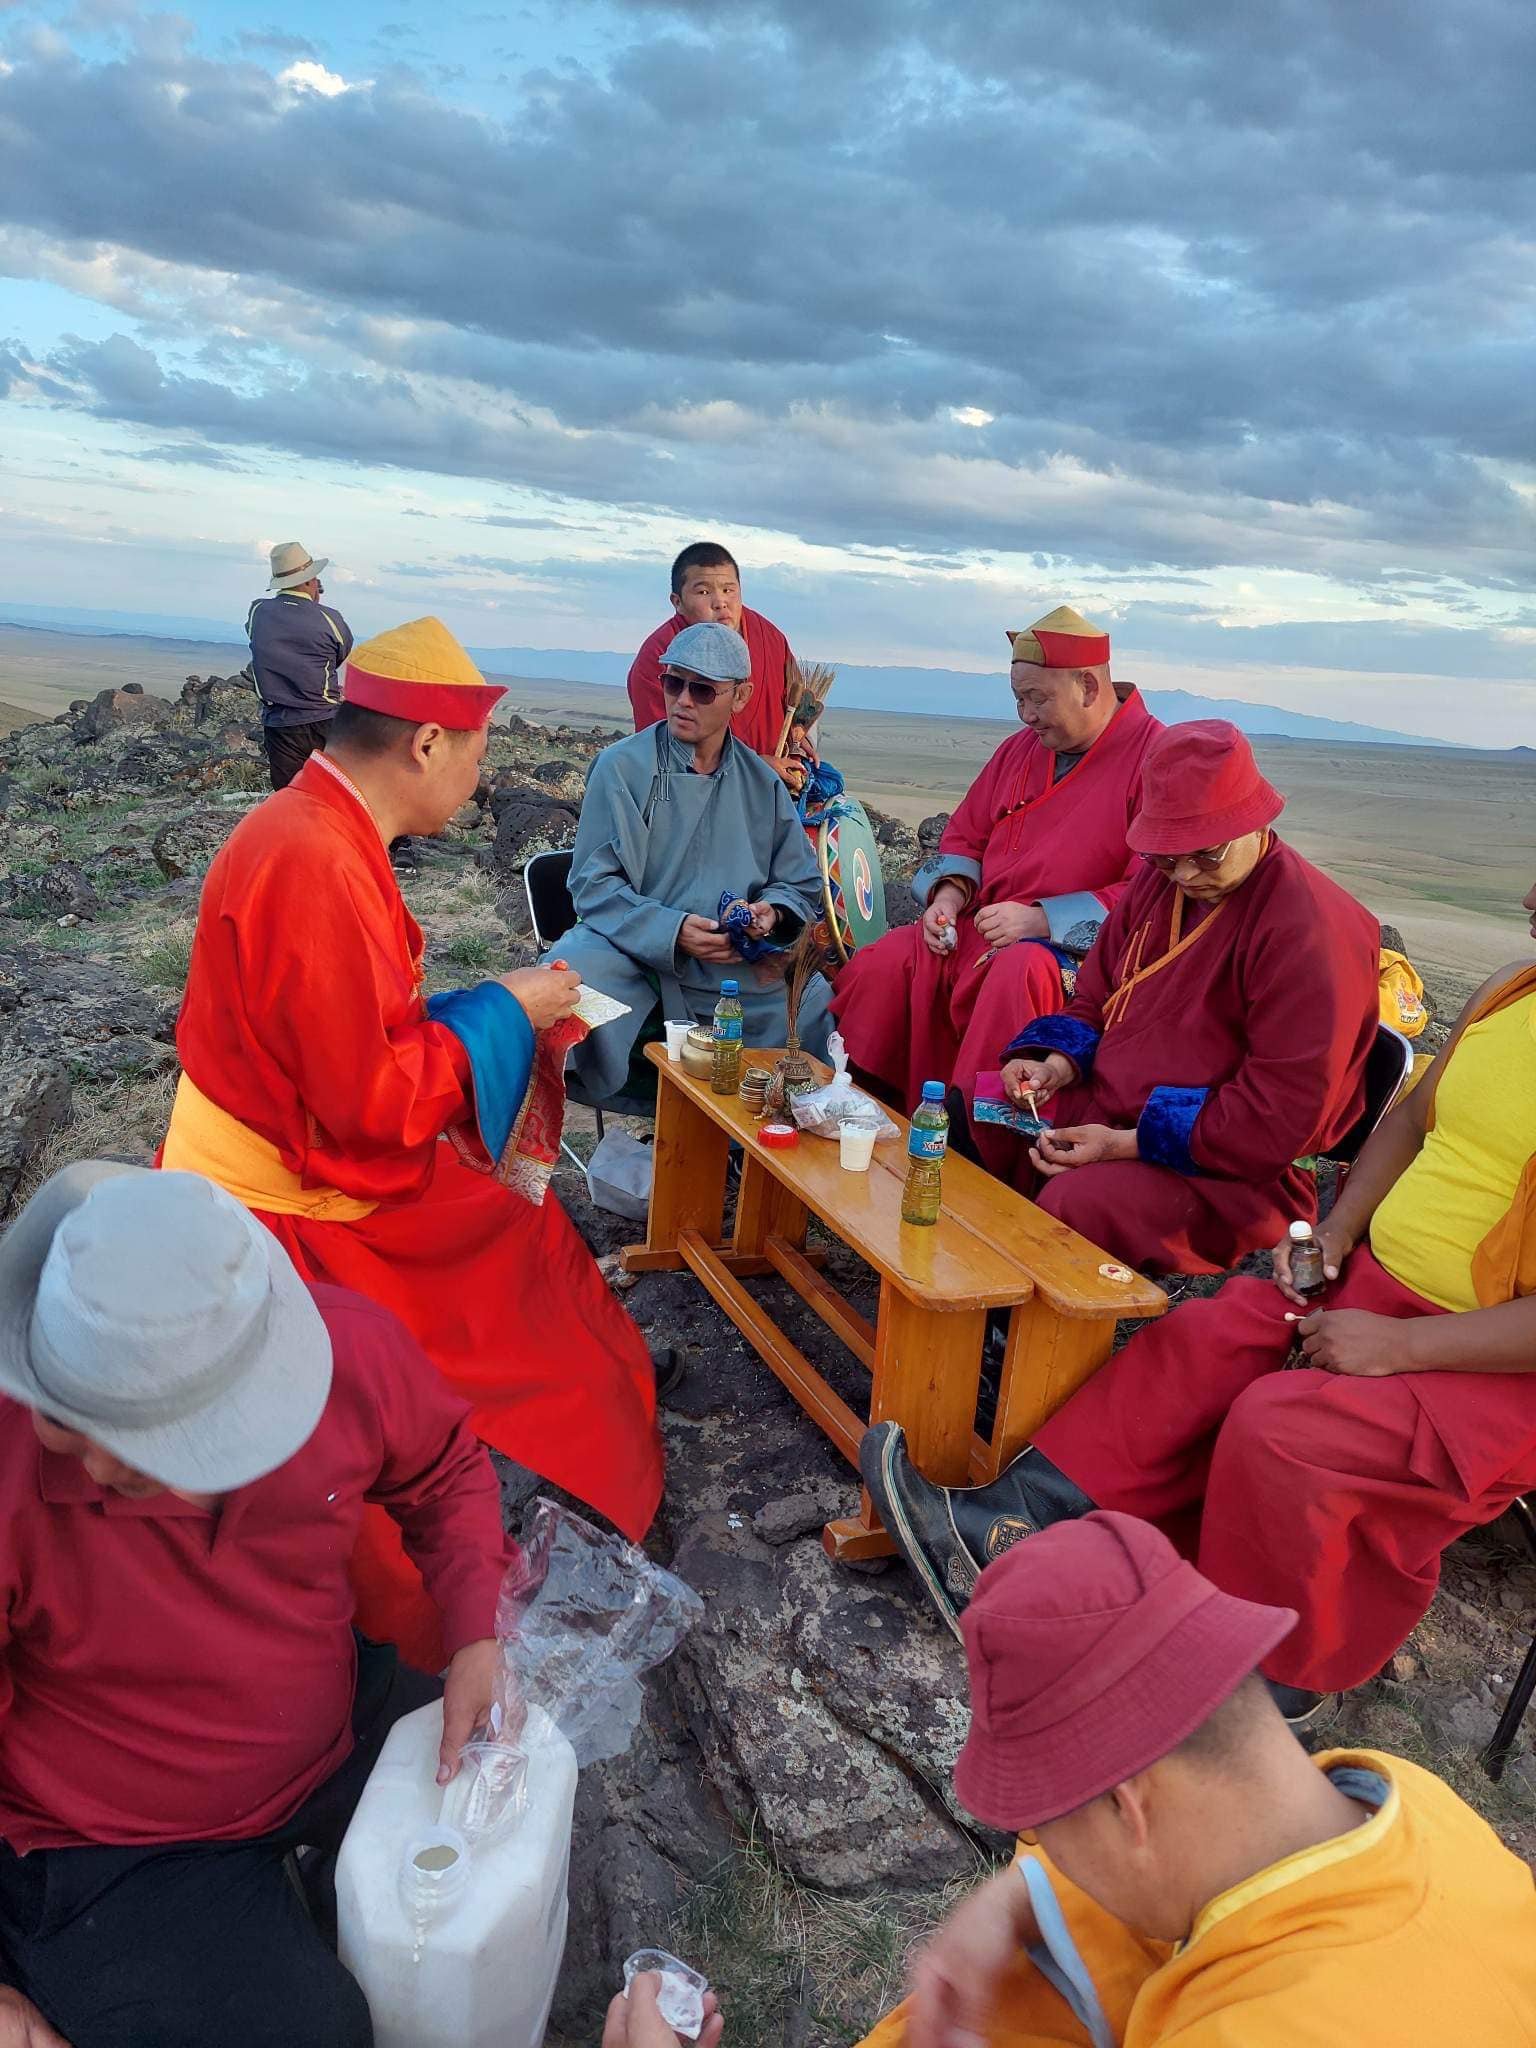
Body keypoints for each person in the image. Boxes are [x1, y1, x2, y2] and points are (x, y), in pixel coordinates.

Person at [863, 880, 1536, 1728]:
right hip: (1373, 1291)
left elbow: (1284, 1112)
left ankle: (1271, 1684)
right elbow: (1408, 1126)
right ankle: (1003, 1533)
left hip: (1493, 1369)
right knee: (1208, 1337)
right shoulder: (1512, 989)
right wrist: (1333, 1239)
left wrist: (1398, 1351)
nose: (1528, 897)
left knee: (1281, 1427)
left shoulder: (1309, 931)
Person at [164, 615, 663, 1671]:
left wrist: (494, 1006)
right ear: (425, 745)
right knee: (510, 1252)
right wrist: (505, 1011)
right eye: (478, 752)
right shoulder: (314, 861)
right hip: (288, 1197)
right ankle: (521, 1501)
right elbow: (372, 1103)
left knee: (519, 1238)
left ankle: (550, 1452)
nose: (483, 780)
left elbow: (356, 1041)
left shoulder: (318, 830)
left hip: (295, 1149)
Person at [0, 1162, 517, 2048]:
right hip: (113, 1845)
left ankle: (321, 1885)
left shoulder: (343, 1354)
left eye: (150, 1444)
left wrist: (476, 1632)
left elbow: (443, 1470)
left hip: (334, 1730)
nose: (95, 1464)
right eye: (65, 1415)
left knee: (518, 1814)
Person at [856, 1513, 1536, 2048]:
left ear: (1129, 1808)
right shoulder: (1409, 1802)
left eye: (1041, 1832)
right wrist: (1012, 1902)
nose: (1042, 1852)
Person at [992, 719, 1379, 1273]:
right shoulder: (1162, 881)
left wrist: (1125, 1144)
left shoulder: (1312, 933)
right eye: (1164, 856)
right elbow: (1098, 996)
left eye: (1206, 854)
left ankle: (1020, 1342)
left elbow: (1276, 1118)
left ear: (1256, 820)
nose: (1186, 873)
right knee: (984, 1115)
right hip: (1110, 1109)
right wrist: (1056, 1064)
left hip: (1228, 1173)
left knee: (1073, 1205)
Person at [832, 608, 1161, 1126]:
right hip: (981, 926)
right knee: (888, 959)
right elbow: (966, 832)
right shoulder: (1018, 752)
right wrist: (947, 899)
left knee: (1017, 972)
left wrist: (1039, 920)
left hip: (1068, 955)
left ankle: (973, 1136)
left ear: (1089, 686)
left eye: (1038, 699)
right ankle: (859, 1101)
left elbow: (1152, 891)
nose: (1025, 716)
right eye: (1018, 700)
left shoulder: (1154, 758)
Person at [552, 622, 833, 1099]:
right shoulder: (621, 767)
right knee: (569, 972)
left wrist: (771, 913)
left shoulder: (762, 783)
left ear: (740, 697)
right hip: (631, 949)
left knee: (812, 1000)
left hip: (731, 960)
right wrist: (673, 930)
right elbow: (593, 884)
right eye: (673, 682)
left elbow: (799, 884)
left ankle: (759, 1145)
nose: (683, 699)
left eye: (702, 689)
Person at [628, 541, 802, 774]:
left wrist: (800, 742)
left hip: (775, 784)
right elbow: (662, 750)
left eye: (729, 590)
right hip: (694, 791)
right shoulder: (659, 655)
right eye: (703, 592)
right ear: (677, 602)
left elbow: (797, 698)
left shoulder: (768, 637)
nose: (720, 602)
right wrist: (754, 767)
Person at [246, 540, 353, 791]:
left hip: (279, 723)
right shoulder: (329, 618)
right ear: (309, 581)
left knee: (288, 794)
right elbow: (340, 653)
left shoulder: (258, 611)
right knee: (335, 791)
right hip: (323, 718)